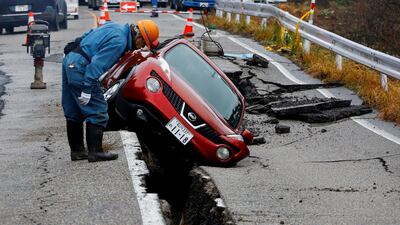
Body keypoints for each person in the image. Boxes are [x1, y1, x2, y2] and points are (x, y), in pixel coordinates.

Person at [62, 20, 159, 162]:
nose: (141, 47)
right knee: (98, 109)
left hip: (70, 59)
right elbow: (96, 66)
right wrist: (87, 88)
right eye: (143, 43)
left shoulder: (116, 26)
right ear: (138, 37)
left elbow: (91, 32)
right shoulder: (119, 43)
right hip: (80, 67)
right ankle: (95, 152)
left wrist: (77, 43)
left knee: (73, 109)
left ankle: (77, 151)